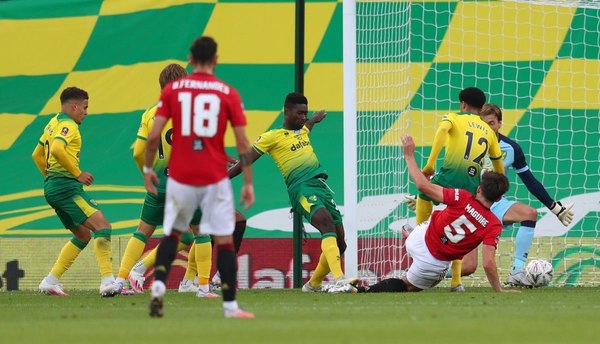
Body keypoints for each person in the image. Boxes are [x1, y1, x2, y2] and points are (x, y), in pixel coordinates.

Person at [143, 36, 255, 318]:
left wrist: (147, 170)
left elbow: (154, 136)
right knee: (225, 239)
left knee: (173, 235)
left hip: (180, 174)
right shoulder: (226, 92)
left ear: (191, 60)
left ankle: (158, 289)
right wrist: (249, 182)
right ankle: (229, 305)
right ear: (215, 60)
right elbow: (242, 143)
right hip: (212, 175)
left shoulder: (172, 91)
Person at [331, 135, 517, 294]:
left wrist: (409, 156)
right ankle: (362, 291)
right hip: (434, 262)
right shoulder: (493, 224)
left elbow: (423, 186)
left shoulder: (462, 196)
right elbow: (488, 263)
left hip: (420, 238)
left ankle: (414, 226)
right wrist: (499, 289)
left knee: (440, 203)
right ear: (499, 198)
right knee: (407, 286)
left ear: (478, 189)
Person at [228, 92, 353, 293]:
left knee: (340, 243)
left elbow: (307, 126)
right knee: (325, 223)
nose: (304, 117)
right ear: (286, 111)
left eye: (306, 113)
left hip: (321, 187)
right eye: (300, 113)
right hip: (301, 188)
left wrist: (314, 120)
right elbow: (245, 161)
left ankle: (313, 285)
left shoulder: (303, 131)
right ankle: (339, 280)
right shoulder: (271, 137)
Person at [114, 63, 216, 298]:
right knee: (201, 233)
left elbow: (138, 151)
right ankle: (202, 286)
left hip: (159, 184)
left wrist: (147, 173)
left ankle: (120, 281)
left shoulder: (151, 114)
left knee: (142, 232)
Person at [458, 104, 575, 286]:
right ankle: (431, 273)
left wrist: (554, 207)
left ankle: (517, 272)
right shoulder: (468, 147)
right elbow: (453, 176)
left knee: (529, 213)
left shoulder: (511, 148)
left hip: (496, 204)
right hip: (471, 206)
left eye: (491, 123)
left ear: (499, 124)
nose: (488, 127)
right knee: (468, 267)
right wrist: (425, 196)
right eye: (483, 123)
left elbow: (529, 180)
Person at [413, 87, 505, 292]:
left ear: (462, 104)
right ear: (481, 109)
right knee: (459, 225)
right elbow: (498, 161)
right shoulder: (489, 131)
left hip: (451, 174)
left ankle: (419, 230)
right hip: (473, 185)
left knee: (423, 193)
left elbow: (442, 131)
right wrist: (500, 183)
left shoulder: (454, 117)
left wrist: (429, 165)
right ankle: (456, 282)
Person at [31, 87, 119, 297]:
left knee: (82, 234)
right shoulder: (69, 126)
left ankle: (50, 281)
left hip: (53, 187)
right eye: (85, 107)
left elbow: (36, 155)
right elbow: (59, 150)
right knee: (103, 227)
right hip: (66, 186)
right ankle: (108, 282)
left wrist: (50, 176)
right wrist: (76, 173)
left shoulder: (53, 123)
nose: (86, 112)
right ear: (74, 106)